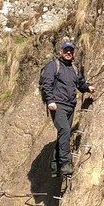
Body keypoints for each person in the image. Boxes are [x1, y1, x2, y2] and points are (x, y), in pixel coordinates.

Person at [40, 40, 95, 176]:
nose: (68, 53)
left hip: (71, 106)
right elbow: (46, 83)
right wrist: (50, 101)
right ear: (60, 52)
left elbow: (80, 84)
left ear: (73, 53)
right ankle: (65, 164)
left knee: (63, 133)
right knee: (64, 130)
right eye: (66, 50)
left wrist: (88, 88)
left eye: (71, 50)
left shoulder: (74, 69)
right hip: (57, 106)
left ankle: (54, 163)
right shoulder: (53, 65)